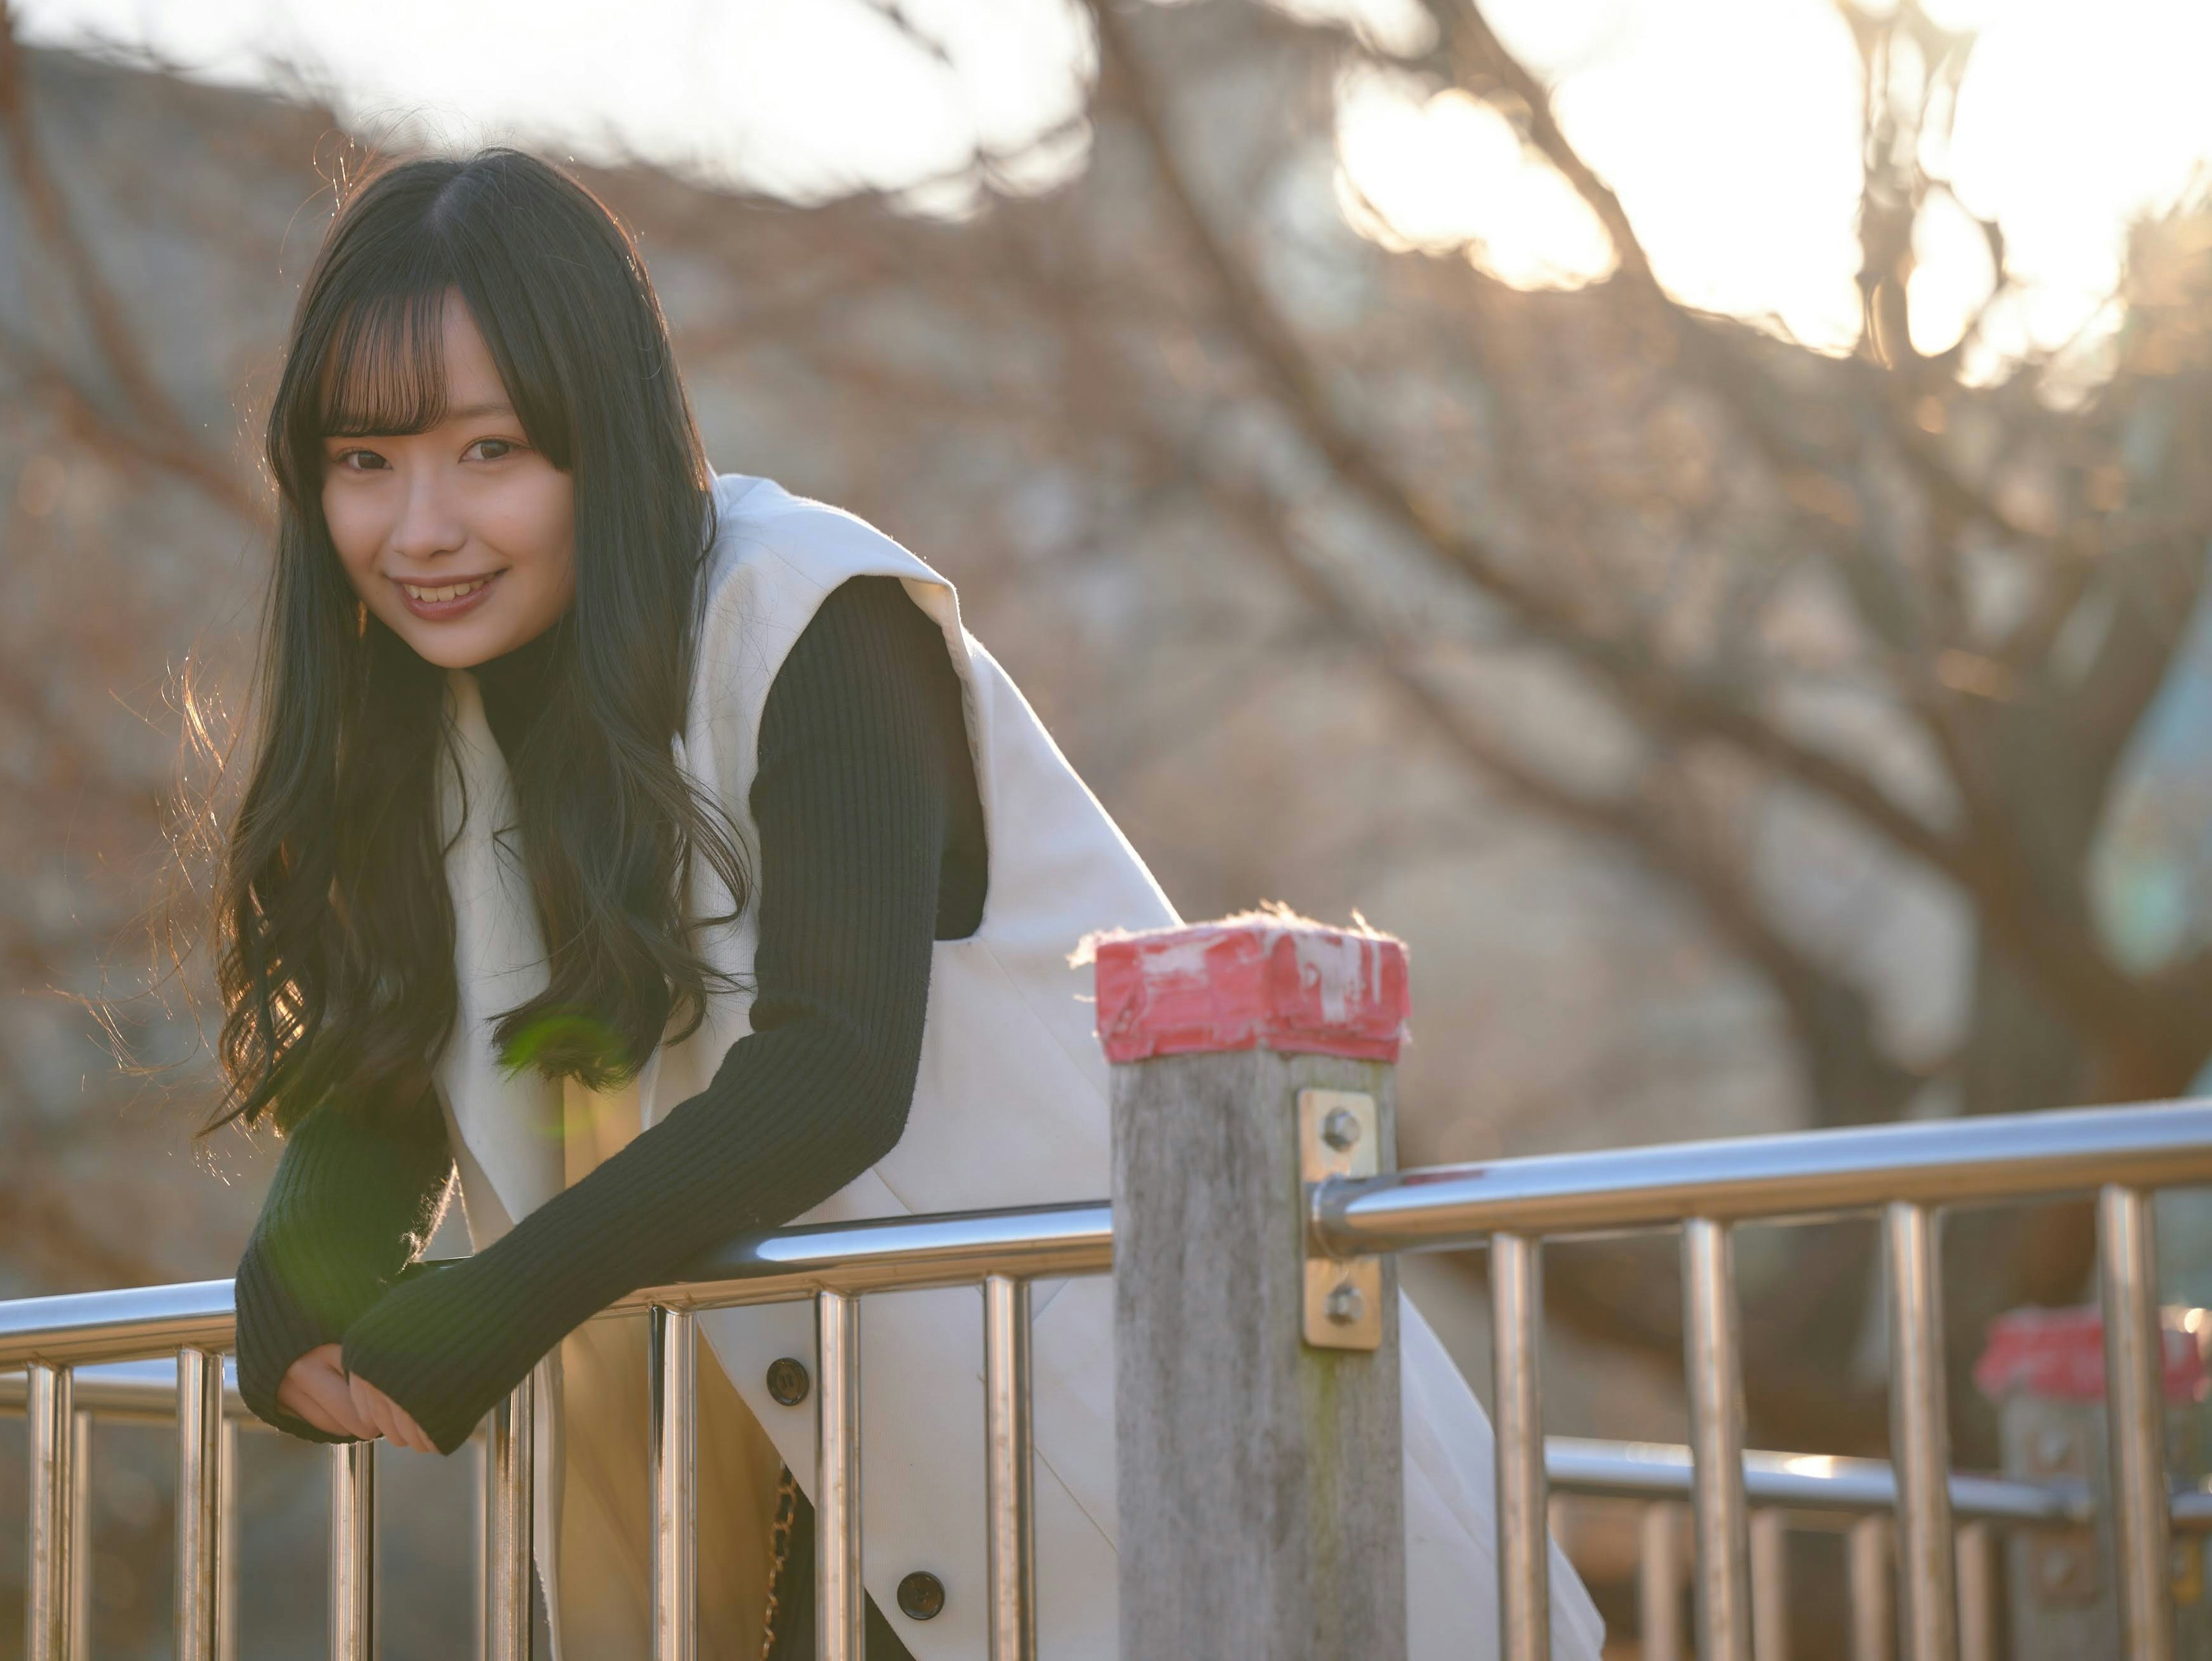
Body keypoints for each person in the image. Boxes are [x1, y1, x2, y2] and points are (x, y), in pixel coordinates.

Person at [213, 148, 1603, 1661]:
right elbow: (407, 1049)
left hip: (1175, 1488)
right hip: (852, 1533)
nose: (420, 527)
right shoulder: (439, 726)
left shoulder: (817, 611)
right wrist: (305, 1266)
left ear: (601, 437)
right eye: (366, 461)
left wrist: (502, 1304)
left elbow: (831, 1073)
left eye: (489, 451)